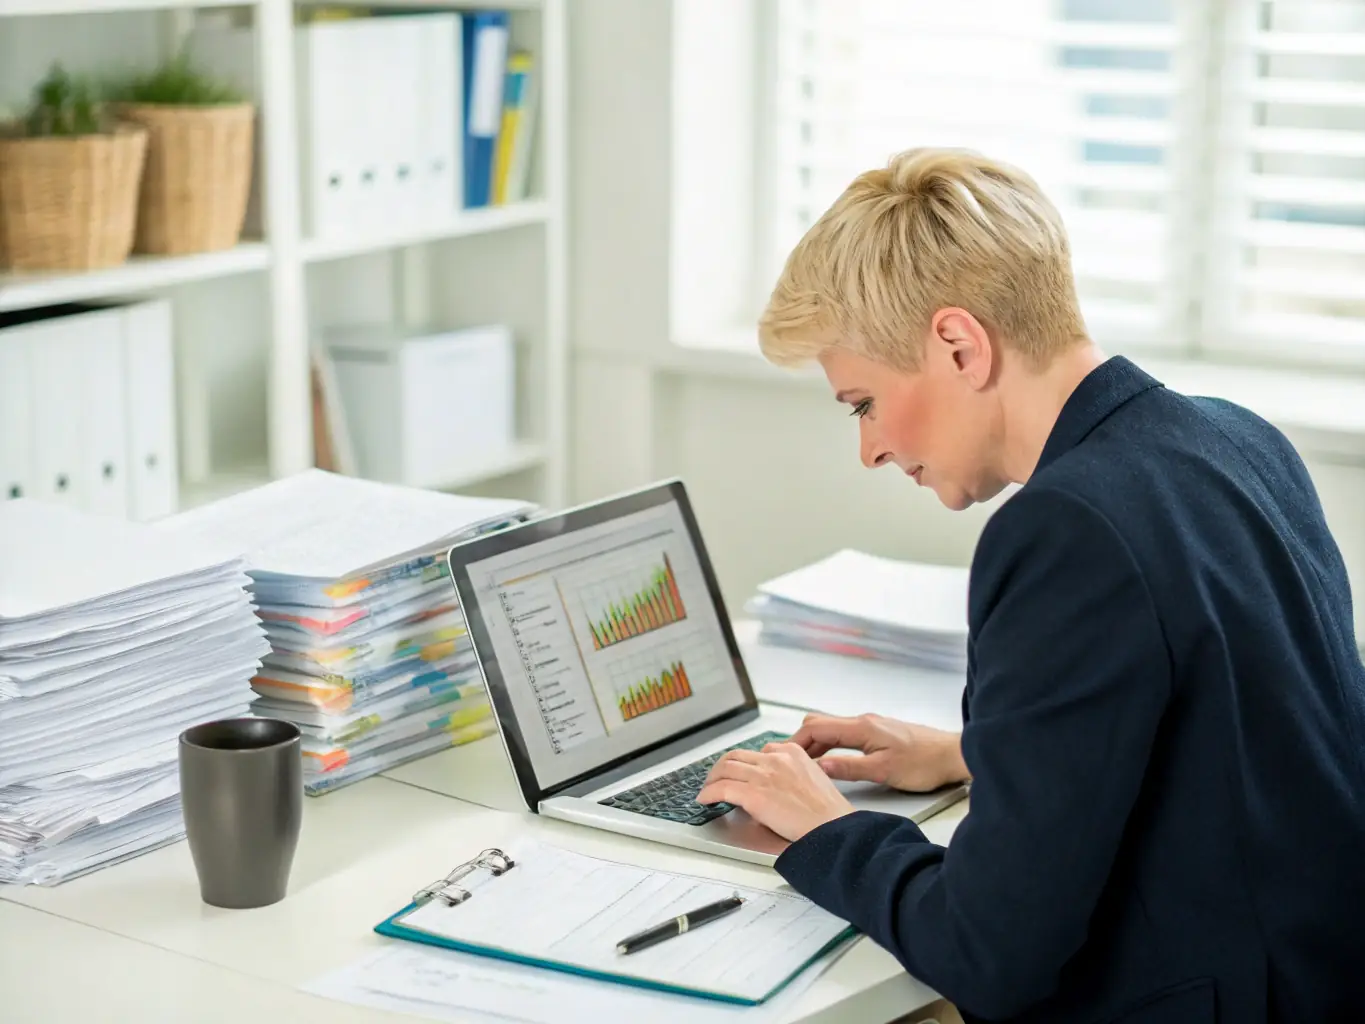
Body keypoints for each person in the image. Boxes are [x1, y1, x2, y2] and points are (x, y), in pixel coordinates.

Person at [696, 148, 1365, 1024]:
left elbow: (989, 953)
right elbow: (1240, 742)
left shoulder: (1066, 528)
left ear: (957, 344)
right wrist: (979, 753)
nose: (869, 449)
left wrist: (827, 830)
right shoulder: (1232, 438)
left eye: (861, 404)